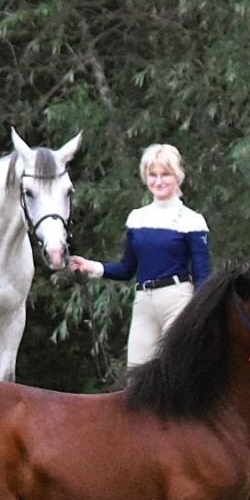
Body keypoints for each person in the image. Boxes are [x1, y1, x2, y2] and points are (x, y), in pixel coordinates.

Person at [67, 143, 209, 368]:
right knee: (136, 373)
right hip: (144, 301)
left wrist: (200, 314)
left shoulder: (192, 220)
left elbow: (202, 277)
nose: (158, 181)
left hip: (178, 301)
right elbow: (126, 269)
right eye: (153, 175)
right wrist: (91, 266)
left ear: (177, 176)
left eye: (165, 174)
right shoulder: (137, 218)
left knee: (177, 370)